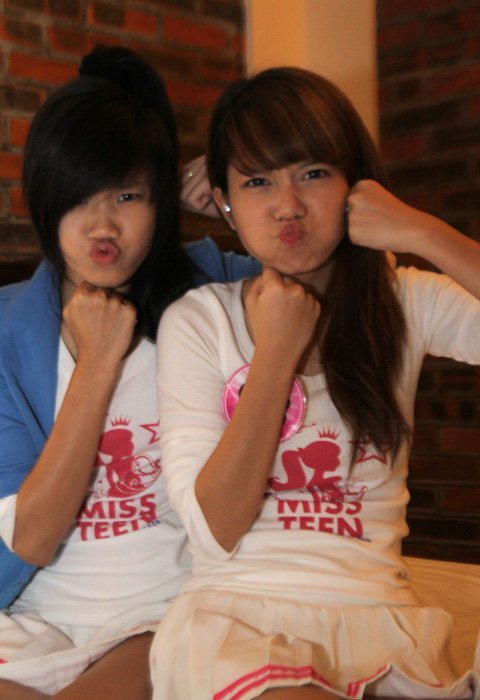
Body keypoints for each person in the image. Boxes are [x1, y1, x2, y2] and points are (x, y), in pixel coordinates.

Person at [150, 67, 480, 699]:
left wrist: (420, 231)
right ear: (224, 202)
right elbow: (214, 528)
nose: (287, 206)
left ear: (357, 185)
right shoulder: (201, 319)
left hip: (380, 618)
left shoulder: (402, 302)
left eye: (313, 173)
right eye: (256, 181)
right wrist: (276, 353)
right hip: (240, 618)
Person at [0, 45, 259, 699]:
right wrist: (95, 365)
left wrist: (234, 202)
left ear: (160, 200)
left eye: (127, 194)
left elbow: (340, 268)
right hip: (31, 619)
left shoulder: (211, 292)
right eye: (78, 196)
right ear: (45, 200)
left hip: (161, 616)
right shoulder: (6, 333)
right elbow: (31, 536)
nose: (103, 225)